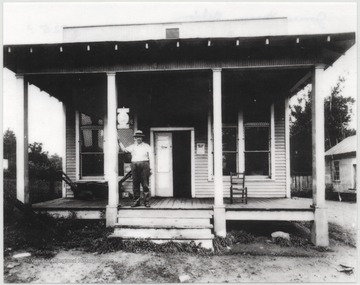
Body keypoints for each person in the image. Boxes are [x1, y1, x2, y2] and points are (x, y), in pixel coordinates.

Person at [120, 130, 152, 207]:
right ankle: (136, 201)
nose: (138, 139)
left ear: (142, 138)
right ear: (135, 138)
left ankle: (146, 202)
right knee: (135, 184)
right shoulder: (132, 146)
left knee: (145, 184)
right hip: (134, 165)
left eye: (140, 137)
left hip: (144, 164)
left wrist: (151, 168)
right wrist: (119, 142)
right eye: (137, 137)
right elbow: (124, 150)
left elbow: (151, 157)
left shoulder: (147, 146)